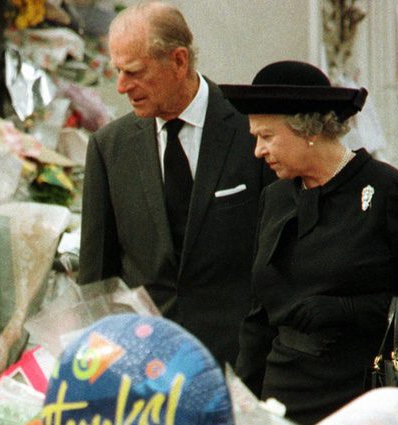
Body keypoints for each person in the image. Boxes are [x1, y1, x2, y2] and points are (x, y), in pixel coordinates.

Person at [220, 61, 398, 424]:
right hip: (283, 397)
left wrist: (348, 310)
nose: (258, 151)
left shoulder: (388, 190)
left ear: (309, 130)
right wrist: (241, 404)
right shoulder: (276, 198)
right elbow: (259, 317)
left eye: (266, 137)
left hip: (363, 395)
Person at [79, 1, 274, 366]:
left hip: (241, 364)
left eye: (134, 72)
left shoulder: (252, 132)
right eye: (118, 71)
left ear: (179, 61)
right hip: (145, 367)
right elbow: (96, 283)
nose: (122, 86)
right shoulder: (109, 148)